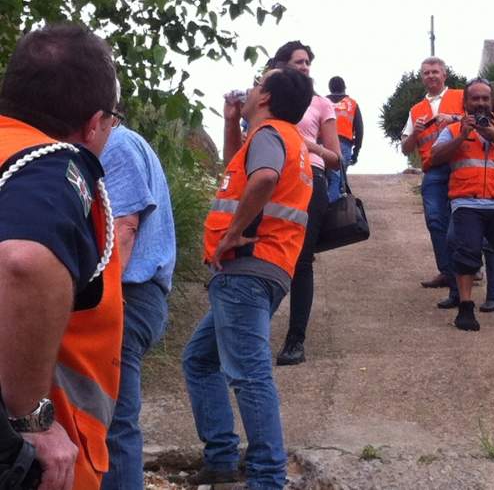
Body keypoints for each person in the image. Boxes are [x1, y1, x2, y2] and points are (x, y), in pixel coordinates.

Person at [0, 24, 124, 489]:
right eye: (112, 121)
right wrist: (32, 418)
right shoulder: (53, 166)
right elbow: (24, 260)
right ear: (94, 123)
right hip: (36, 465)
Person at [181, 65, 313, 489]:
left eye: (258, 84)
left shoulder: (269, 136)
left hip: (245, 269)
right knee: (200, 359)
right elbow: (235, 174)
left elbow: (265, 177)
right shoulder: (282, 139)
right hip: (265, 269)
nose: (252, 88)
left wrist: (233, 233)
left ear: (267, 97)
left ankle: (267, 477)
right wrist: (230, 122)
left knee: (250, 373)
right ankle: (221, 458)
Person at [100, 125, 176, 489]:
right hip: (137, 295)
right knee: (110, 423)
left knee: (113, 427)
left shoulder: (114, 144)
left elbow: (124, 229)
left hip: (127, 294)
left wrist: (97, 302)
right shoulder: (124, 142)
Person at [429, 78, 494, 331]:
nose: (481, 103)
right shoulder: (453, 130)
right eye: (475, 98)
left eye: (485, 98)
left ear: (492, 101)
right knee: (466, 255)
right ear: (466, 102)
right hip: (466, 203)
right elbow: (434, 157)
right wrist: (462, 136)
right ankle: (465, 308)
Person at [272, 42, 343, 367]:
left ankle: (295, 340)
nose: (304, 67)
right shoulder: (267, 98)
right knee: (266, 255)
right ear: (281, 65)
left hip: (309, 180)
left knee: (301, 261)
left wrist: (306, 145)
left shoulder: (321, 104)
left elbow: (335, 158)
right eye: (297, 62)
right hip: (271, 177)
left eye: (307, 62)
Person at [401, 57, 464, 292]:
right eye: (426, 73)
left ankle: (468, 268)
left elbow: (482, 119)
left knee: (465, 218)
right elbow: (405, 148)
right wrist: (415, 134)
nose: (431, 76)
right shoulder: (416, 110)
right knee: (436, 220)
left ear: (444, 75)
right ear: (422, 78)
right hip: (434, 170)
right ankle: (448, 272)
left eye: (435, 72)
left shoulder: (461, 97)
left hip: (462, 165)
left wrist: (453, 119)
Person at [326, 75, 363, 202]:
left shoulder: (322, 102)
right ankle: (333, 208)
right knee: (337, 178)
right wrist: (356, 152)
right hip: (344, 145)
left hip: (323, 143)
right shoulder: (352, 104)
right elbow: (359, 130)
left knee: (323, 178)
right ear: (344, 88)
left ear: (330, 88)